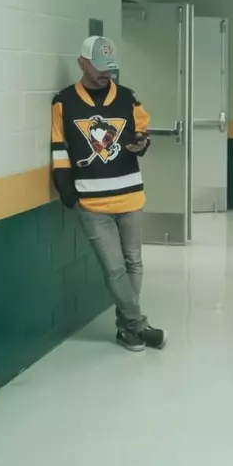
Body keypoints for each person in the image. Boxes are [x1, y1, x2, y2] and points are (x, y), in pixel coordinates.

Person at [50, 36, 166, 352]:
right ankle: (139, 325)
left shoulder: (128, 98)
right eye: (100, 68)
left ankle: (127, 329)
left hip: (130, 195)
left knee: (133, 263)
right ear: (82, 63)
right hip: (91, 202)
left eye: (110, 68)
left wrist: (141, 143)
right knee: (114, 269)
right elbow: (60, 149)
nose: (106, 74)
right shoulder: (63, 102)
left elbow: (143, 133)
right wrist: (68, 194)